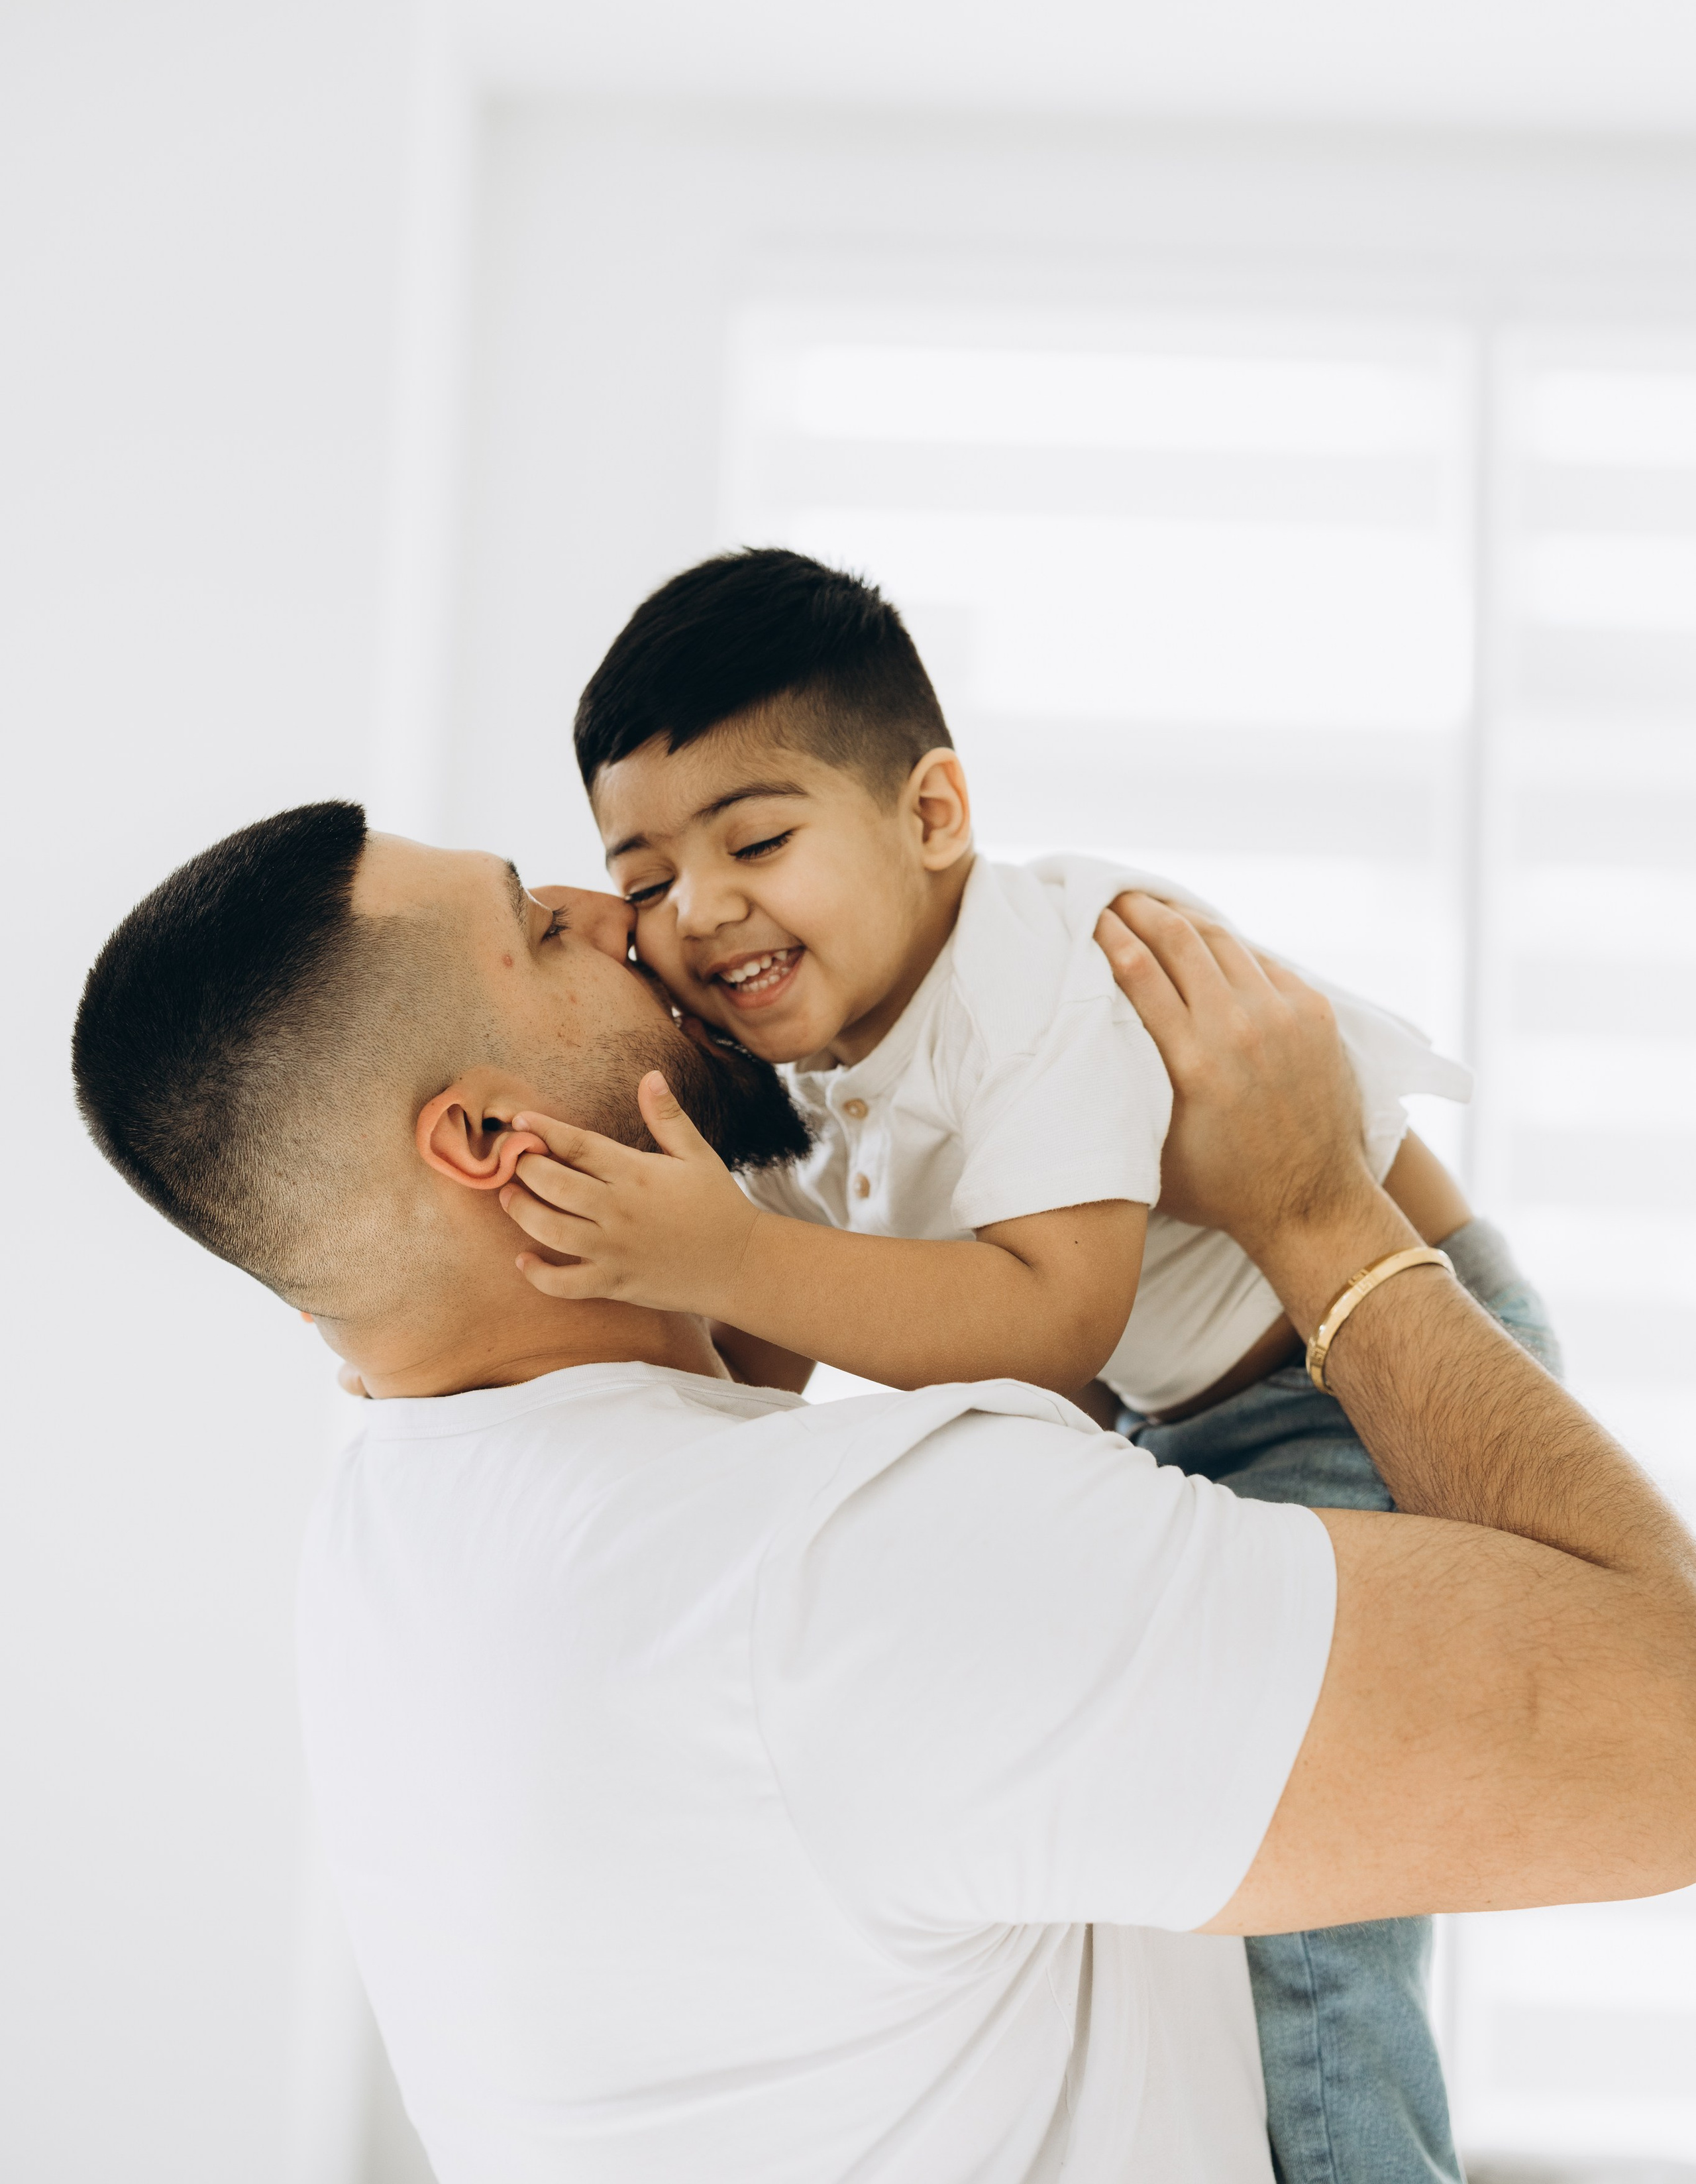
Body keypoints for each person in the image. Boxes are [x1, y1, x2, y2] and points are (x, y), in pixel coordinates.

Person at [71, 802, 1696, 2184]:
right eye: (537, 927)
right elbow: (1670, 1740)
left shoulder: (394, 1541)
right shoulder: (838, 1573)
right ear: (492, 1137)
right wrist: (1317, 1213)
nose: (612, 910)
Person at [522, 547, 1554, 2182]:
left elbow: (1046, 1316)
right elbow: (777, 1348)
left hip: (1357, 1365)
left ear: (933, 816)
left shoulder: (1047, 972)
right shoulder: (810, 1049)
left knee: (1316, 1937)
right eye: (638, 874)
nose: (696, 910)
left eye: (757, 839)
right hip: (1182, 1406)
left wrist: (715, 1254)